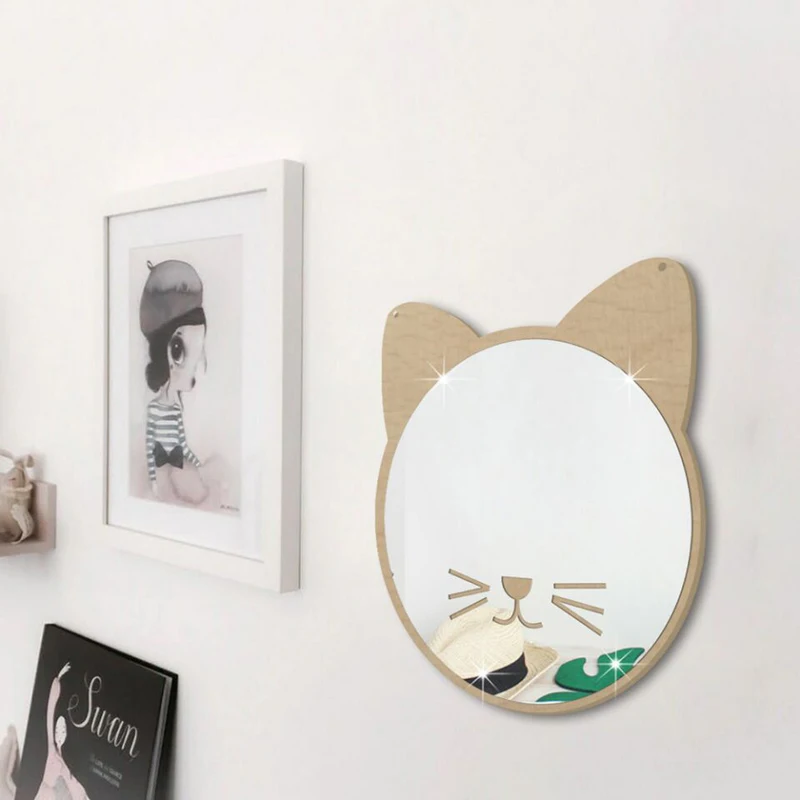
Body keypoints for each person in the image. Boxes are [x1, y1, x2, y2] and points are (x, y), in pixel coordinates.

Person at [139, 259, 210, 505]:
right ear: (170, 353)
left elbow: (183, 445)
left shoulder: (176, 411)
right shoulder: (154, 410)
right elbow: (151, 449)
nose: (197, 369)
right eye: (182, 351)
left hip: (179, 471)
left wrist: (197, 465)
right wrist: (155, 480)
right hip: (163, 477)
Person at [33, 664, 90, 800]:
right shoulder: (54, 756)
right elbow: (50, 716)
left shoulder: (54, 756)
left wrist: (57, 679)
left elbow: (50, 716)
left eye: (62, 730)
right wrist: (57, 679)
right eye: (60, 730)